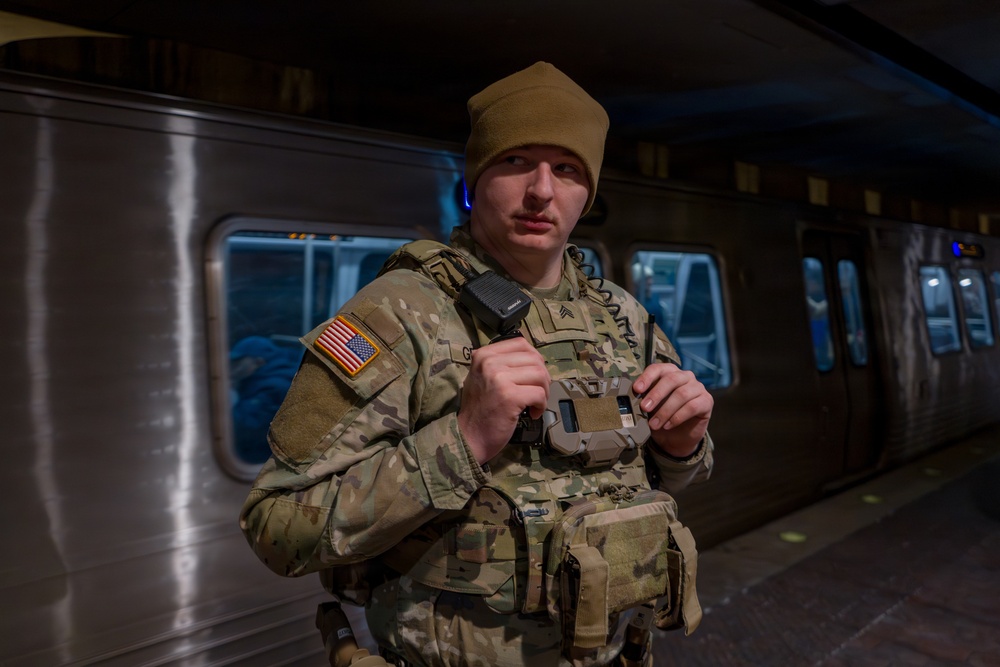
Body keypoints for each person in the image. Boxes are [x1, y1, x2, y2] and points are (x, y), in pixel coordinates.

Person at [240, 62, 715, 667]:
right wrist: (462, 440)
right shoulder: (400, 314)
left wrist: (682, 447)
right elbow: (275, 526)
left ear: (586, 194)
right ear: (477, 178)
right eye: (516, 161)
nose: (542, 190)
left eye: (566, 169)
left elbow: (667, 480)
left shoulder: (621, 316)